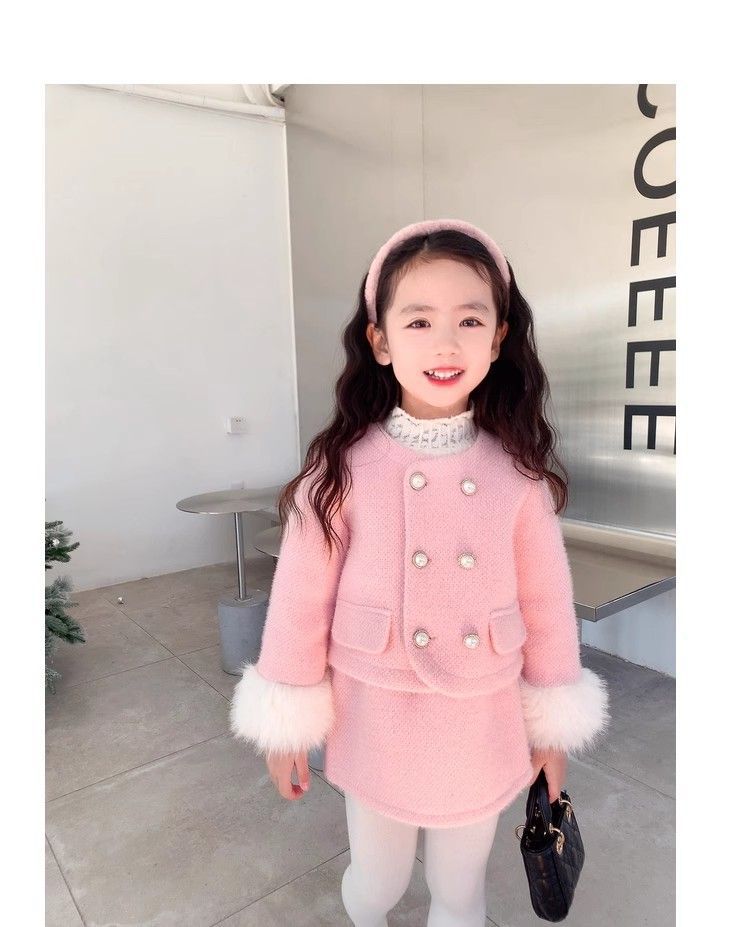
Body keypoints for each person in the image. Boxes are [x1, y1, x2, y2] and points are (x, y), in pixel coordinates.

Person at [230, 218, 611, 927]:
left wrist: (552, 729)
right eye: (418, 320)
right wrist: (285, 725)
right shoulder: (339, 470)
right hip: (377, 712)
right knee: (375, 884)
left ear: (498, 338)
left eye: (470, 319)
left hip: (479, 715)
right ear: (379, 340)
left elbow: (547, 604)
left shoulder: (518, 476)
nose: (445, 344)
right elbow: (301, 602)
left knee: (460, 890)